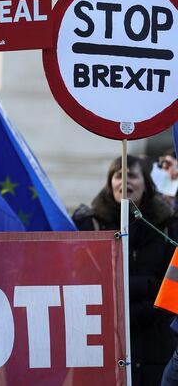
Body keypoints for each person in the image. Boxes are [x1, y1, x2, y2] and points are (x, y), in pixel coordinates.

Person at [73, 155, 178, 385]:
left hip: (157, 344)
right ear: (110, 183)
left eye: (131, 175)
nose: (124, 182)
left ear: (146, 184)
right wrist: (145, 287)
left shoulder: (168, 227)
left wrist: (130, 294)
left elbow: (170, 288)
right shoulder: (89, 225)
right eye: (118, 175)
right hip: (106, 342)